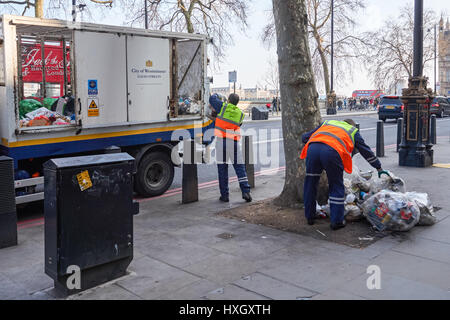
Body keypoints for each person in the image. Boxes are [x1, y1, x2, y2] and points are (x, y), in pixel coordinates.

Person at [300, 119, 388, 230]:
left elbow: (304, 137)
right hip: (332, 151)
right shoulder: (352, 131)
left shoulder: (328, 123)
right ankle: (336, 221)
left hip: (313, 149)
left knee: (310, 183)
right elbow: (366, 151)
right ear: (353, 125)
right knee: (336, 185)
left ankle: (310, 216)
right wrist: (378, 167)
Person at [209, 93, 252, 203]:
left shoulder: (222, 107)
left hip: (220, 143)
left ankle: (225, 196)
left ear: (228, 100)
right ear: (237, 102)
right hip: (233, 143)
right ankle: (246, 191)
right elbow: (237, 124)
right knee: (240, 168)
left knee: (222, 170)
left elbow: (212, 99)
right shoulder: (240, 114)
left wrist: (218, 94)